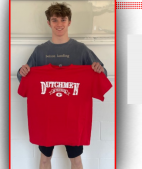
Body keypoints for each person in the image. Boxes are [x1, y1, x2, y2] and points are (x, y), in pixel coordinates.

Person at [17, 2, 106, 169]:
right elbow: (23, 78)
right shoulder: (40, 51)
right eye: (55, 20)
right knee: (44, 159)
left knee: (76, 160)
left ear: (69, 22)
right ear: (49, 23)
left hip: (74, 117)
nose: (59, 24)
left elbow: (102, 75)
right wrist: (23, 71)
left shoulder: (81, 50)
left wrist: (98, 69)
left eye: (63, 20)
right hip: (45, 118)